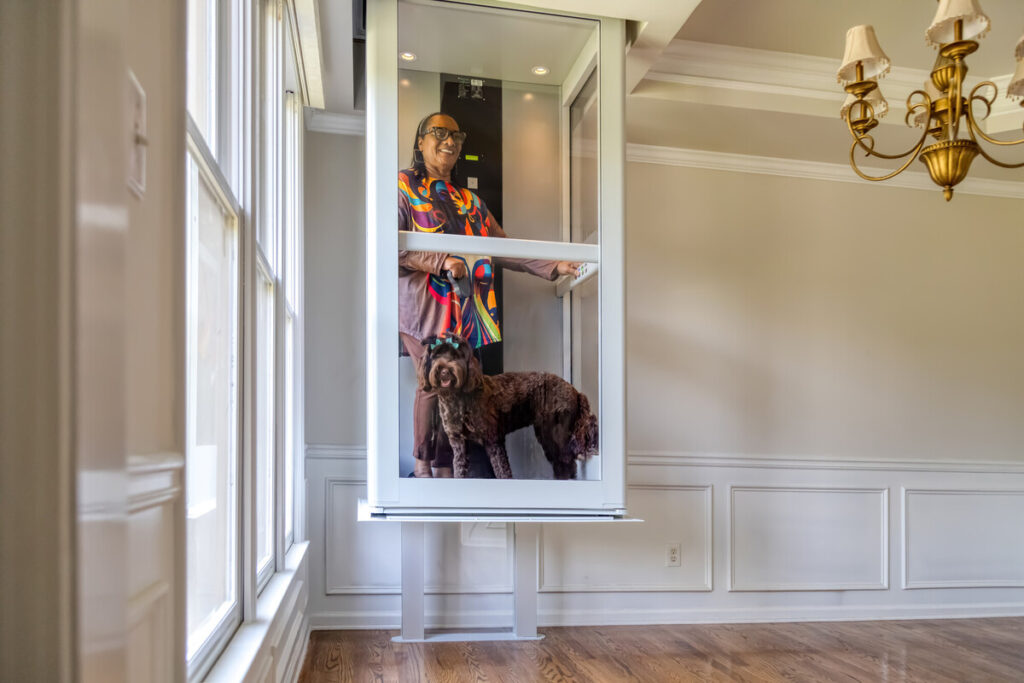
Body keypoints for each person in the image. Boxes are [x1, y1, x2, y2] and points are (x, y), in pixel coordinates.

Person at [398, 112, 579, 478]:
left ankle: (447, 466)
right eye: (439, 133)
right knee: (433, 382)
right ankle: (422, 465)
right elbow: (393, 245)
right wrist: (442, 260)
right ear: (420, 141)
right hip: (424, 311)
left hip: (467, 314)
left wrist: (552, 267)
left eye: (457, 135)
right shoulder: (402, 186)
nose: (450, 141)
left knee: (461, 389)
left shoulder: (471, 202)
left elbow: (501, 246)